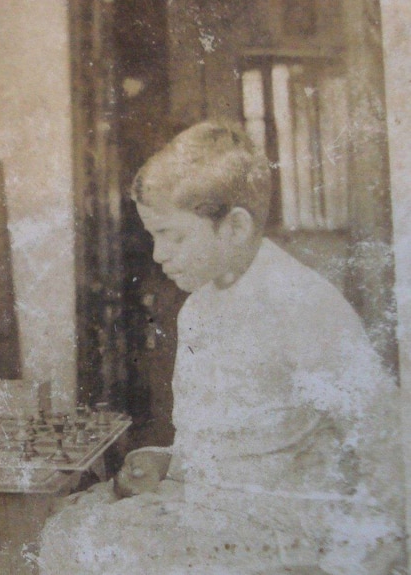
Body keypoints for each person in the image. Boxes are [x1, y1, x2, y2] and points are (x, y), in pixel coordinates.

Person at [38, 121, 403, 575]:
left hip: (290, 527)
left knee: (101, 549)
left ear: (234, 227)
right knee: (63, 528)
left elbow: (384, 442)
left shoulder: (305, 307)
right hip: (217, 510)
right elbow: (229, 436)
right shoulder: (200, 307)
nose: (158, 254)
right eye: (154, 236)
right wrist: (170, 461)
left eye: (174, 235)